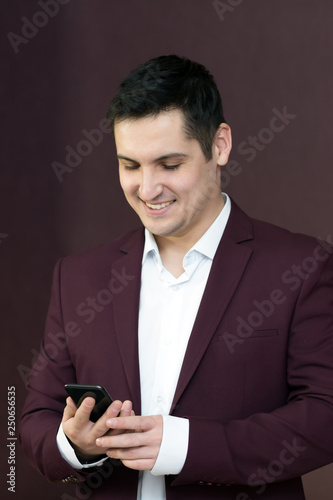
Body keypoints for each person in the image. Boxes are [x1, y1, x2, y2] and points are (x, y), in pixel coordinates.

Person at [19, 55, 333, 500]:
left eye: (169, 165)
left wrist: (185, 446)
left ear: (220, 145)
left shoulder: (302, 266)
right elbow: (31, 420)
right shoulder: (77, 277)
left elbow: (325, 415)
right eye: (130, 165)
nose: (147, 189)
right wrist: (73, 445)